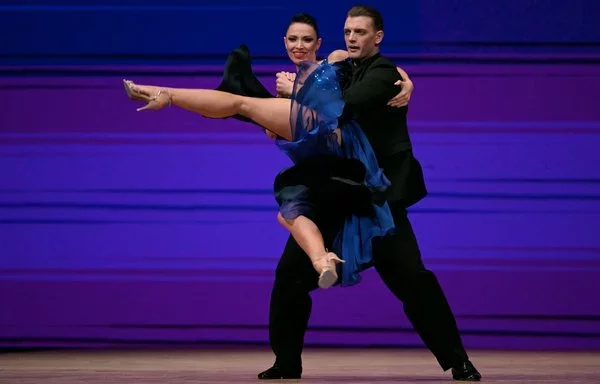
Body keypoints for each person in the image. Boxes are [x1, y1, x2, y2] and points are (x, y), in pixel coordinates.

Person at [257, 5, 483, 382]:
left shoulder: (382, 72)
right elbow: (320, 101)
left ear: (377, 37)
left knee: (413, 279)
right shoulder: (340, 68)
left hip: (377, 203)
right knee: (290, 276)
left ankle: (458, 361)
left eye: (360, 32)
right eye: (347, 31)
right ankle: (286, 363)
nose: (352, 37)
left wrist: (296, 90)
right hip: (333, 195)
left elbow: (342, 108)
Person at [122, 46, 397, 290]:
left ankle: (165, 94)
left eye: (306, 39)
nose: (298, 45)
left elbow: (383, 72)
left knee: (240, 103)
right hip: (317, 155)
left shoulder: (335, 59)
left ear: (318, 42)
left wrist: (407, 83)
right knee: (289, 212)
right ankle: (322, 260)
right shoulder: (290, 80)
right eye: (292, 39)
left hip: (327, 128)